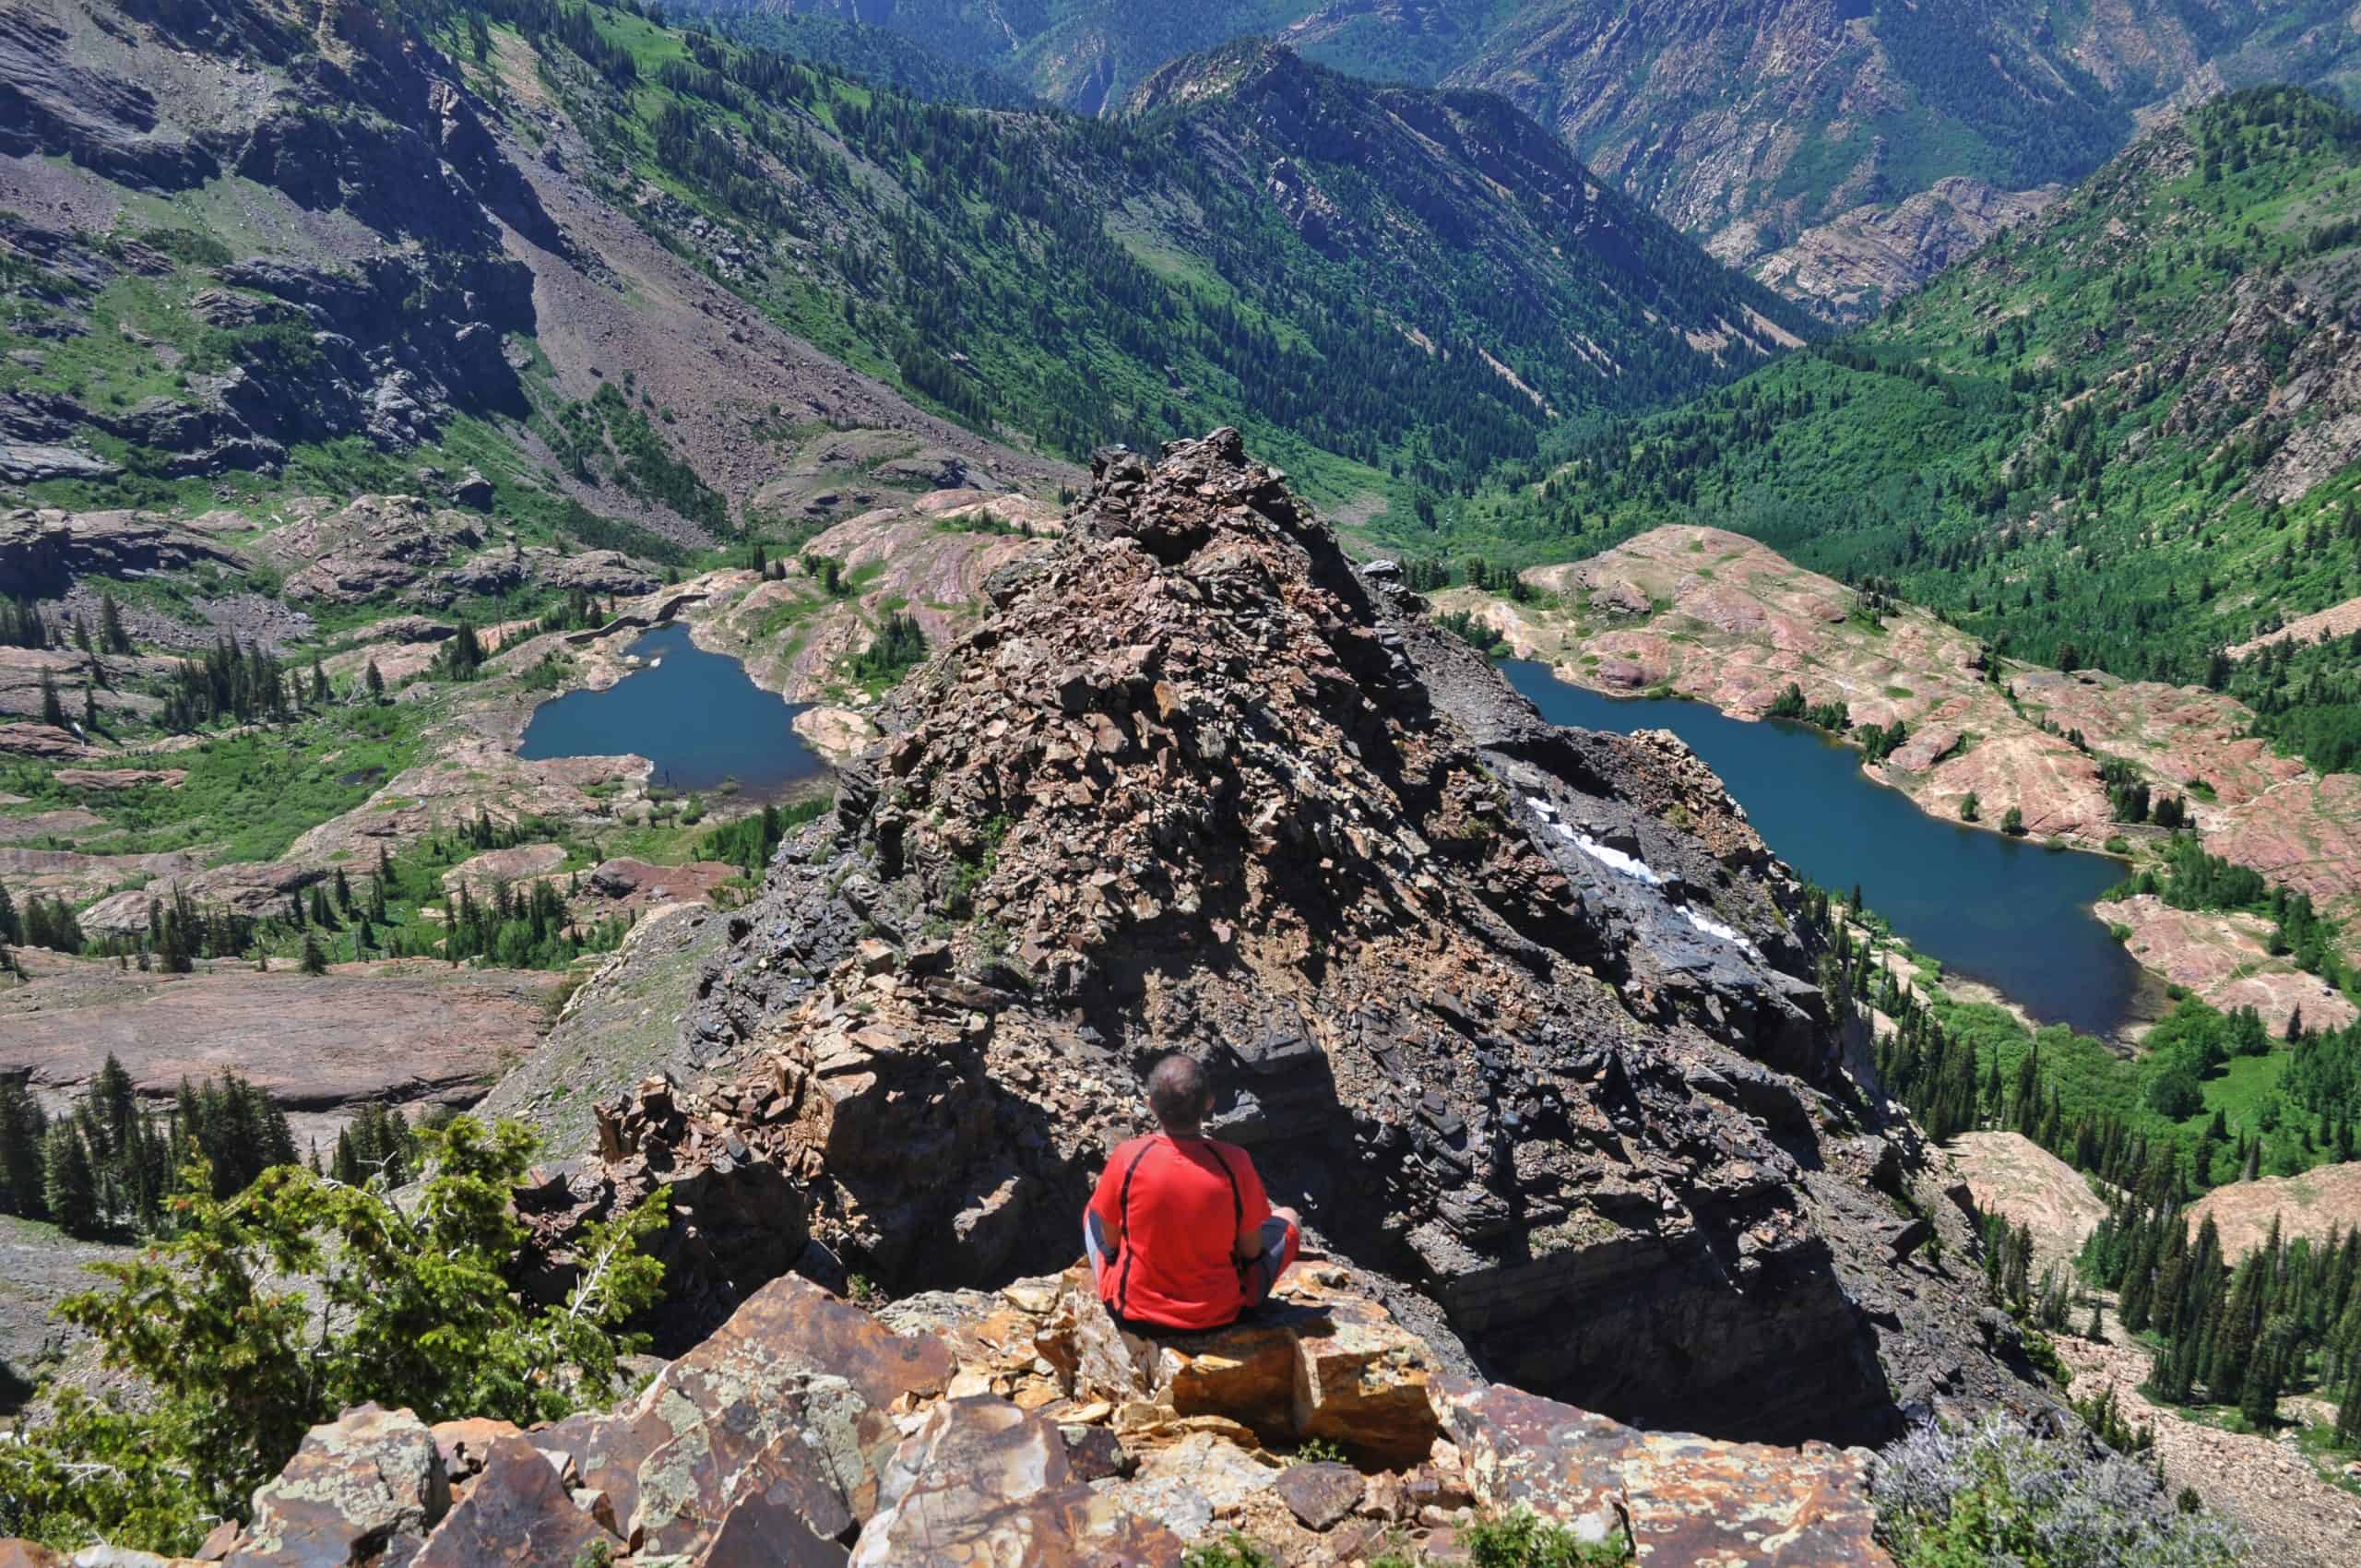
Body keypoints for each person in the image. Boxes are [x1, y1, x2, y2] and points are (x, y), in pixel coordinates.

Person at [1084, 1053, 1300, 1331]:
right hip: (1221, 1316)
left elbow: (1111, 1242)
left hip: (1135, 1314)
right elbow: (1250, 1250)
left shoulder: (1127, 1157)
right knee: (1288, 1216)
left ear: (1150, 1105)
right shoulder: (1235, 1162)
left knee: (1095, 1209)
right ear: (1209, 1103)